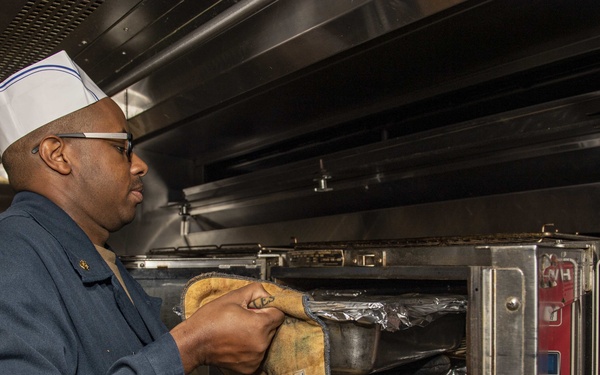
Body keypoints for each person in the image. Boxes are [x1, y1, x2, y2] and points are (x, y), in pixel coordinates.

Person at [0, 51, 285, 374]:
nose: (139, 165)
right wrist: (192, 346)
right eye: (121, 148)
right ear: (58, 155)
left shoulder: (94, 255)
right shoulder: (10, 254)